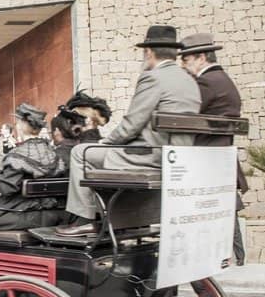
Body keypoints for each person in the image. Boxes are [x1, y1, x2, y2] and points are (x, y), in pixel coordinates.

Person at [58, 25, 201, 236]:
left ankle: (85, 219)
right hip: (178, 157)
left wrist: (104, 143)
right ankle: (123, 218)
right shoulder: (190, 81)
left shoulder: (152, 77)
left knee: (81, 153)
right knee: (93, 152)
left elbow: (131, 125)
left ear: (149, 52)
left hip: (150, 156)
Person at [179, 32, 248, 269]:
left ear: (200, 57)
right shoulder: (223, 79)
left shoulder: (207, 82)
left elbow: (186, 113)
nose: (184, 67)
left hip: (204, 157)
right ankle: (235, 254)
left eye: (186, 61)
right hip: (219, 156)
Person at [0, 104, 67, 231]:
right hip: (54, 213)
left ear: (21, 125)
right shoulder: (53, 154)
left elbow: (7, 188)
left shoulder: (18, 155)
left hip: (24, 213)